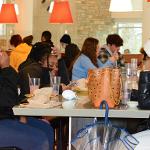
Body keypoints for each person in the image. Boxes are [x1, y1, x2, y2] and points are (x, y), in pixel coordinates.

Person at [0, 50, 53, 150]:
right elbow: (7, 100)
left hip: (9, 116)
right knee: (40, 139)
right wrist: (6, 67)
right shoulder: (5, 69)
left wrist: (21, 115)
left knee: (47, 130)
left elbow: (14, 93)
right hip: (4, 119)